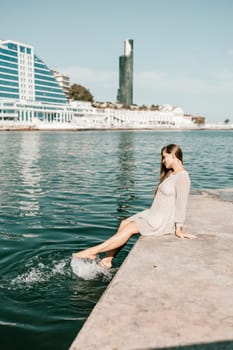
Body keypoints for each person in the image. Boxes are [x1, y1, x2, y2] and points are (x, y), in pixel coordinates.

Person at [73, 144, 196, 268]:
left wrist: (179, 228)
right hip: (153, 214)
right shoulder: (171, 174)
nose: (163, 161)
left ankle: (93, 252)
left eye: (165, 157)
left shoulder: (182, 177)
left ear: (174, 156)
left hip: (162, 221)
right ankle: (107, 260)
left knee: (130, 228)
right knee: (124, 223)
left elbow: (181, 203)